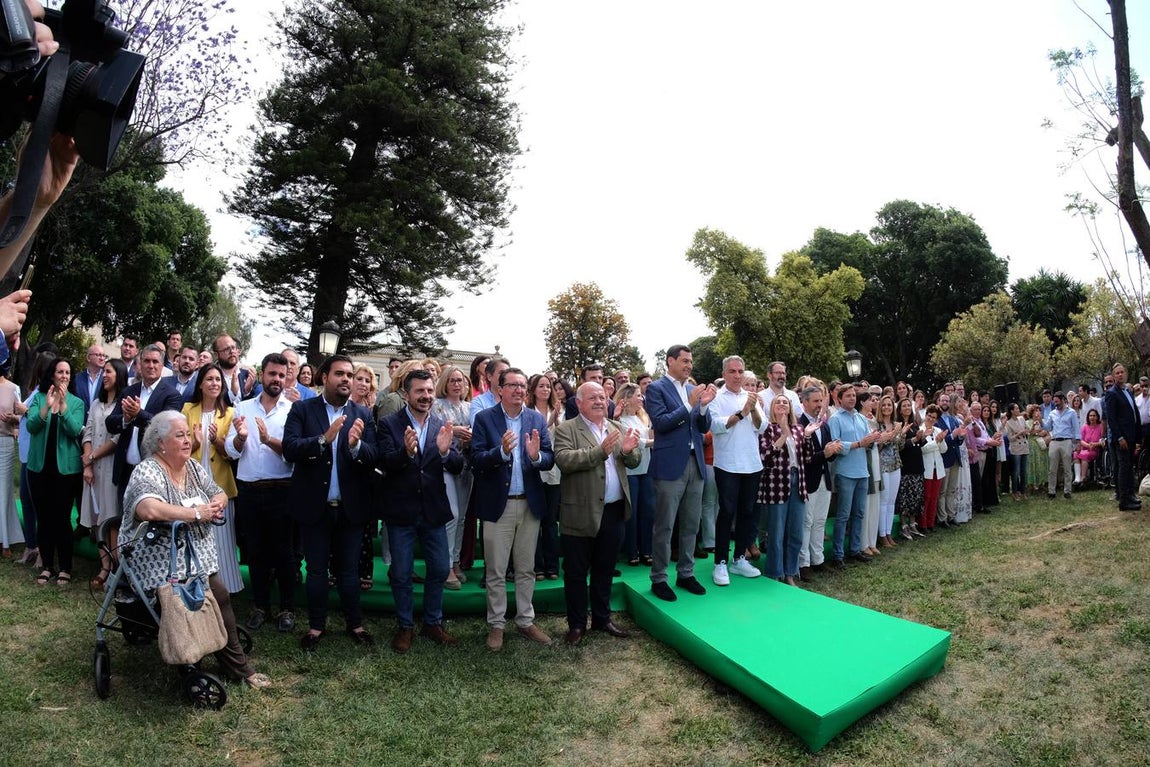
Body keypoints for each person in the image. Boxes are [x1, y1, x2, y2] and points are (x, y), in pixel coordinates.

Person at [119, 411, 270, 689]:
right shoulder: (147, 470)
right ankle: (192, 662)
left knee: (220, 595)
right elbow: (148, 508)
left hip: (194, 557)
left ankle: (238, 666)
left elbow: (219, 491)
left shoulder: (192, 468)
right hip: (156, 557)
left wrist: (216, 504)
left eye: (188, 434)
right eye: (180, 435)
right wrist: (197, 513)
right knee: (189, 600)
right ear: (161, 443)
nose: (188, 440)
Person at [282, 354, 379, 651]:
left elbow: (375, 457)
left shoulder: (363, 413)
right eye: (340, 374)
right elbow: (289, 449)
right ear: (325, 377)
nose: (347, 379)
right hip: (315, 508)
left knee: (349, 572)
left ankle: (355, 624)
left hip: (350, 508)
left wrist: (355, 446)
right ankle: (316, 626)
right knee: (316, 571)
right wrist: (324, 439)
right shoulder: (302, 409)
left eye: (350, 374)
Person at [377, 369, 462, 653]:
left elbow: (458, 465)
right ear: (406, 394)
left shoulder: (441, 424)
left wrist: (445, 453)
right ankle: (405, 626)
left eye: (429, 391)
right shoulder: (389, 423)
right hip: (401, 511)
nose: (426, 396)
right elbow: (385, 462)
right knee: (401, 573)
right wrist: (407, 454)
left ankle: (432, 623)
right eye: (420, 392)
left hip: (433, 511)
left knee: (439, 568)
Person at [471, 367, 555, 650]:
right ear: (500, 390)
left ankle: (525, 620)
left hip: (529, 503)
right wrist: (502, 452)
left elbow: (549, 458)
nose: (519, 390)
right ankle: (496, 624)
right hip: (499, 506)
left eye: (523, 386)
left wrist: (536, 456)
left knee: (526, 568)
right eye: (513, 385)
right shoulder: (484, 419)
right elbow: (476, 459)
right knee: (495, 570)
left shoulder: (535, 418)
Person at [553, 381, 641, 645]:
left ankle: (602, 619)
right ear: (578, 403)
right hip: (580, 512)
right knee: (577, 572)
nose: (600, 401)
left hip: (613, 511)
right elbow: (564, 461)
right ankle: (577, 625)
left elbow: (634, 459)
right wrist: (599, 451)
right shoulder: (567, 429)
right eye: (592, 398)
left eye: (602, 397)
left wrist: (627, 451)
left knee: (605, 568)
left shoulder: (616, 427)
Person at [224, 353, 296, 633]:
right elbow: (230, 450)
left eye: (281, 374)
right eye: (272, 374)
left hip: (282, 489)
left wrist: (269, 440)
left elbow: (292, 453)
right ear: (261, 375)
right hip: (249, 490)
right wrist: (241, 438)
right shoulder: (242, 407)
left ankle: (287, 608)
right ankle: (260, 606)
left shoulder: (292, 411)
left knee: (285, 553)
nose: (277, 379)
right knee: (255, 551)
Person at [644, 345, 715, 601]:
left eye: (691, 361)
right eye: (684, 361)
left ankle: (686, 573)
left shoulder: (690, 390)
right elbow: (661, 423)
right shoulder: (655, 388)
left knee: (690, 523)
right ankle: (659, 578)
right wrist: (689, 404)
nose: (689, 365)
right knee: (665, 526)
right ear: (670, 361)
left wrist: (704, 407)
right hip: (670, 466)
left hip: (695, 463)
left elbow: (702, 426)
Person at [183, 364, 243, 594]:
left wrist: (217, 441)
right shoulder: (188, 410)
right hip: (192, 485)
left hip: (221, 487)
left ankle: (227, 589)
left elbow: (232, 455)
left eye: (218, 379)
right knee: (196, 536)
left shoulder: (230, 413)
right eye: (209, 379)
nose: (214, 383)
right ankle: (198, 588)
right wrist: (196, 443)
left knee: (223, 539)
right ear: (200, 383)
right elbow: (180, 449)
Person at [25, 357, 84, 586]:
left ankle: (66, 567)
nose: (64, 376)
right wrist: (47, 407)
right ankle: (48, 565)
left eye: (68, 373)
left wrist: (62, 410)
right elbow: (31, 426)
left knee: (61, 519)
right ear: (52, 375)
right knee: (44, 517)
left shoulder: (77, 403)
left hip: (66, 471)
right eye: (60, 372)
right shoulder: (39, 397)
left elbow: (73, 431)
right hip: (38, 468)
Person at [708, 355, 766, 586]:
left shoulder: (751, 397)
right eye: (732, 371)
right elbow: (717, 426)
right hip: (728, 465)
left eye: (740, 371)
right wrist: (742, 412)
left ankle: (739, 558)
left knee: (747, 512)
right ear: (724, 374)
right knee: (727, 512)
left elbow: (763, 427)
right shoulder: (716, 398)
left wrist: (752, 410)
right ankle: (720, 562)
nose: (737, 375)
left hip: (752, 464)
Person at [106, 344, 186, 506]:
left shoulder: (172, 395)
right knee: (125, 519)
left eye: (155, 362)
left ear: (162, 365)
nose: (151, 365)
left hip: (153, 470)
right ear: (140, 364)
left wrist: (138, 413)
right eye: (147, 361)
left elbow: (165, 428)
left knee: (149, 522)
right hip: (125, 469)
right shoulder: (129, 391)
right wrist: (126, 419)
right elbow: (110, 423)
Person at [758, 395, 813, 585]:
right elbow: (765, 456)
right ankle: (774, 573)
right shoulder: (767, 429)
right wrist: (782, 434)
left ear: (790, 408)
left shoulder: (798, 429)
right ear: (772, 409)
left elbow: (807, 457)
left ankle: (790, 572)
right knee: (776, 533)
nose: (782, 404)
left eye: (785, 402)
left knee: (796, 532)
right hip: (776, 484)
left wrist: (807, 437)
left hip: (798, 481)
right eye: (777, 402)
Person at [80, 358, 126, 587]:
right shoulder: (97, 404)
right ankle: (104, 566)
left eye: (108, 371)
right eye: (103, 372)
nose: (104, 375)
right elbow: (87, 432)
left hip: (110, 467)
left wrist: (92, 457)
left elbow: (117, 440)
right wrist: (88, 464)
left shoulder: (122, 404)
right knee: (97, 520)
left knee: (110, 518)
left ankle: (117, 569)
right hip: (93, 469)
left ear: (118, 374)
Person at [432, 364, 474, 588]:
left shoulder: (470, 406)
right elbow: (434, 431)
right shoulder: (437, 405)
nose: (458, 384)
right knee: (453, 515)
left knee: (463, 517)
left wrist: (470, 438)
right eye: (453, 380)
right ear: (445, 383)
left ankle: (456, 561)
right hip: (445, 465)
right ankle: (446, 565)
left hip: (466, 465)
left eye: (461, 380)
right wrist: (454, 432)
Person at [827, 384, 877, 566]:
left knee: (859, 513)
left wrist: (872, 440)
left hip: (862, 470)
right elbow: (836, 445)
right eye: (847, 396)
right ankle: (838, 555)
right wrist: (859, 443)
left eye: (853, 396)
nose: (852, 399)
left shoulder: (860, 418)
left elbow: (867, 443)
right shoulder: (835, 419)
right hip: (846, 472)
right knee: (843, 515)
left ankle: (855, 549)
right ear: (839, 399)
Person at [796, 383, 838, 577]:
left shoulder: (825, 425)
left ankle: (818, 559)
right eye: (815, 401)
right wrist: (825, 453)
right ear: (804, 402)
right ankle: (803, 563)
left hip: (824, 479)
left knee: (820, 521)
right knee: (807, 521)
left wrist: (832, 451)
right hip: (808, 480)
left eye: (821, 401)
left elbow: (828, 455)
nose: (819, 405)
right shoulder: (798, 425)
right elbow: (802, 458)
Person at [614, 382, 654, 567]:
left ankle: (646, 550)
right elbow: (637, 442)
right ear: (627, 398)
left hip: (646, 470)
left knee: (647, 511)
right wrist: (655, 441)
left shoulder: (643, 417)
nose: (641, 398)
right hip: (630, 472)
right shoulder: (619, 420)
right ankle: (632, 551)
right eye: (638, 395)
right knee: (632, 512)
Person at [526, 373, 561, 580]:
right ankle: (537, 566)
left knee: (550, 521)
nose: (546, 389)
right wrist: (549, 423)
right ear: (533, 389)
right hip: (534, 471)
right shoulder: (528, 412)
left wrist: (557, 421)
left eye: (548, 386)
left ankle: (552, 566)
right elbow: (533, 437)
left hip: (554, 472)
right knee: (534, 520)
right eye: (541, 386)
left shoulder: (559, 411)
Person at [1103, 363, 1141, 511]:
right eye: (1117, 373)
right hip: (1122, 438)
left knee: (1129, 467)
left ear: (1125, 374)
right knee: (1123, 467)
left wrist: (1138, 436)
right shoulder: (1112, 393)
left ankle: (1130, 495)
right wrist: (1119, 438)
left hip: (1131, 436)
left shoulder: (1128, 391)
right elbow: (1112, 418)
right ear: (1113, 376)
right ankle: (1124, 500)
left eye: (1121, 372)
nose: (1120, 375)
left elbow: (1134, 413)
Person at [895, 398, 926, 539]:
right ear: (900, 409)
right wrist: (913, 440)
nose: (907, 407)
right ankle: (903, 525)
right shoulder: (898, 425)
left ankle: (913, 524)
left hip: (917, 464)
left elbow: (921, 444)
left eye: (909, 405)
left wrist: (922, 437)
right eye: (904, 406)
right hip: (905, 466)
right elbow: (899, 445)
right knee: (905, 497)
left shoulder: (914, 424)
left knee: (916, 497)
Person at [0, 360, 21, 559]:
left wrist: (12, 419)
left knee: (5, 491)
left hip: (5, 443)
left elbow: (22, 416)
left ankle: (5, 541)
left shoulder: (13, 389)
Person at [1043, 392, 1079, 499]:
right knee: (1052, 468)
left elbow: (1076, 428)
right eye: (1055, 402)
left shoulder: (1071, 412)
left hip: (1066, 441)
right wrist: (1040, 420)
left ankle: (1067, 490)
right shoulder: (1052, 413)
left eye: (1057, 402)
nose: (1056, 404)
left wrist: (1078, 442)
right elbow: (1048, 427)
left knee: (1067, 467)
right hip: (1054, 441)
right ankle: (1051, 491)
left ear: (1063, 400)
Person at [919, 404, 949, 533]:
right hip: (927, 468)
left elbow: (944, 450)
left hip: (938, 468)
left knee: (935, 496)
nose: (931, 419)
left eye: (934, 417)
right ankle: (923, 524)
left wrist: (941, 441)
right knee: (926, 497)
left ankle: (931, 522)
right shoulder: (920, 430)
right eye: (929, 416)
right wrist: (936, 442)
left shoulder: (937, 430)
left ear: (936, 420)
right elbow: (923, 449)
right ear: (925, 415)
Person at [1002, 403, 1031, 501]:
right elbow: (1010, 438)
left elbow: (1027, 429)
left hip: (1024, 446)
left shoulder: (1022, 419)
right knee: (1016, 471)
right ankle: (1015, 491)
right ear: (1012, 411)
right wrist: (1018, 433)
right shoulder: (1009, 423)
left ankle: (1023, 491)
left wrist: (1025, 431)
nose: (1018, 410)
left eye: (1018, 408)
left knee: (1024, 471)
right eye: (1016, 408)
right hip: (1015, 449)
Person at [1073, 409, 1104, 489]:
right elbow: (1080, 439)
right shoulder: (1084, 426)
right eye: (1090, 416)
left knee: (1085, 455)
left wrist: (1095, 444)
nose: (1092, 417)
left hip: (1095, 450)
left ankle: (1083, 478)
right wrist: (1087, 445)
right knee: (1076, 454)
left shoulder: (1100, 427)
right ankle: (1077, 478)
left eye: (1094, 416)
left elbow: (1103, 441)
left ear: (1097, 417)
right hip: (1085, 448)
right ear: (1088, 417)